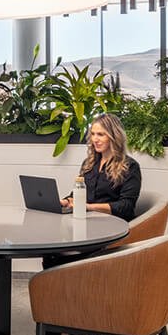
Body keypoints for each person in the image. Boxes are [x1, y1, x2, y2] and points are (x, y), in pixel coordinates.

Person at [47, 112, 141, 269]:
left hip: (110, 229)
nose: (95, 139)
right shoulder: (89, 163)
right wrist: (65, 202)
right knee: (52, 249)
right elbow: (77, 194)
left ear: (114, 136)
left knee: (62, 255)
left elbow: (126, 207)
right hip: (85, 225)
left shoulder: (130, 167)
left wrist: (89, 207)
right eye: (93, 134)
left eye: (101, 135)